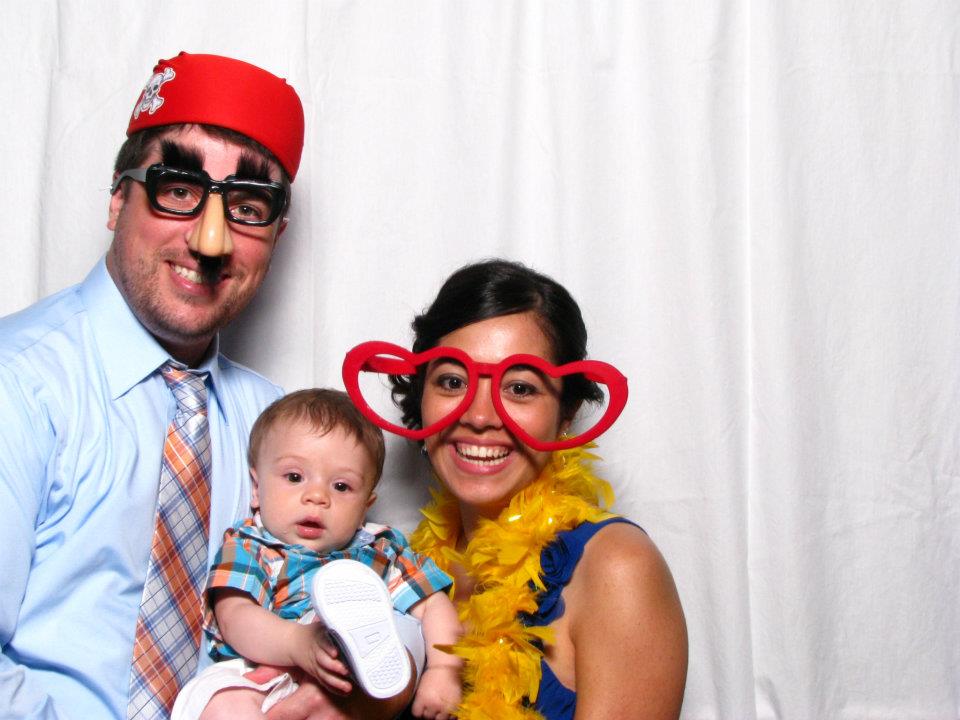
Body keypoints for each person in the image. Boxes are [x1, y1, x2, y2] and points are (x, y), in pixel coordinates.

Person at [0, 52, 306, 719]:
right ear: (118, 199)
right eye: (178, 190)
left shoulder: (272, 422)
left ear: (276, 235)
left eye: (247, 207)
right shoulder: (16, 386)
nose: (211, 240)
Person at [342, 259, 689, 719]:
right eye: (452, 382)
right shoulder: (408, 566)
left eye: (521, 389)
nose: (480, 416)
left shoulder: (617, 568)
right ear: (421, 397)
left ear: (566, 414)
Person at [171, 389, 462, 720]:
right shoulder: (250, 546)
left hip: (345, 680)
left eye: (341, 486)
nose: (317, 496)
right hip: (260, 671)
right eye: (294, 477)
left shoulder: (379, 551)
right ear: (256, 488)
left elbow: (433, 605)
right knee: (223, 703)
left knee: (364, 678)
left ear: (365, 505)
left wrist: (444, 670)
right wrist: (296, 643)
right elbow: (234, 616)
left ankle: (349, 643)